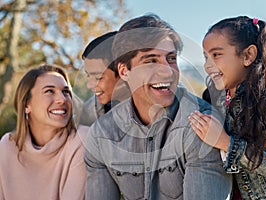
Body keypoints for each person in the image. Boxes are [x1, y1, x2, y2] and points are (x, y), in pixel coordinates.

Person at [84, 14, 232, 200]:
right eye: (151, 61)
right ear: (124, 71)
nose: (167, 70)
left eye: (171, 59)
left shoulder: (202, 125)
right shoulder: (101, 135)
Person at [189, 16, 266, 199]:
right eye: (205, 57)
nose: (208, 66)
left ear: (248, 55)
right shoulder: (215, 96)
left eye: (216, 55)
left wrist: (225, 142)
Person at [0, 64, 88, 200]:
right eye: (49, 91)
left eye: (66, 92)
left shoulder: (82, 140)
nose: (62, 99)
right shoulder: (7, 145)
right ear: (26, 105)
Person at [78, 31, 130, 126]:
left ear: (124, 72)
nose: (89, 85)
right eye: (88, 76)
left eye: (98, 78)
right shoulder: (90, 111)